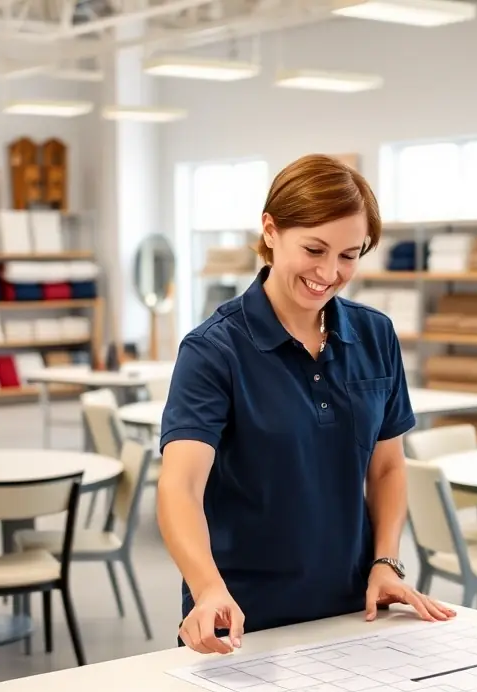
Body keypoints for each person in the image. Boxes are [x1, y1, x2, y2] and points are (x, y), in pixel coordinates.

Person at [157, 154, 454, 654]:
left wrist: (386, 561)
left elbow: (386, 470)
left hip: (354, 613)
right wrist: (207, 588)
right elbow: (180, 486)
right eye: (314, 249)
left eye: (349, 255)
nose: (329, 272)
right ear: (271, 230)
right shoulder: (213, 350)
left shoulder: (375, 334)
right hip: (242, 622)